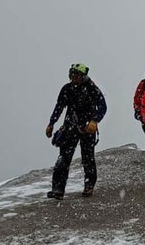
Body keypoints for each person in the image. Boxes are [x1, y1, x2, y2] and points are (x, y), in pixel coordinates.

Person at [44, 63, 107, 200]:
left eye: (76, 75)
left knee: (87, 157)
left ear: (83, 76)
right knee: (63, 158)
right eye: (71, 75)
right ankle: (58, 189)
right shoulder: (67, 89)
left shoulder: (91, 89)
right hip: (70, 126)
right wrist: (51, 123)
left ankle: (89, 184)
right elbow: (59, 107)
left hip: (87, 128)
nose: (73, 77)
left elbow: (102, 106)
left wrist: (94, 121)